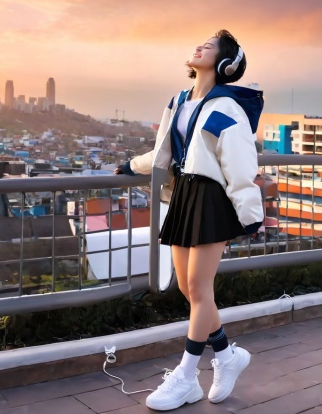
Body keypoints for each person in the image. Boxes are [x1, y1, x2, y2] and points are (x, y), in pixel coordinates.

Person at [115, 30, 264, 410]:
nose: (199, 47)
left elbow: (241, 165)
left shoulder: (228, 108)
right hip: (183, 194)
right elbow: (164, 150)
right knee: (188, 288)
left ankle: (185, 375)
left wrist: (250, 215)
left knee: (199, 288)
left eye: (209, 47)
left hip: (211, 198)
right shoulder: (179, 101)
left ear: (225, 63)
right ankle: (228, 357)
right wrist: (131, 166)